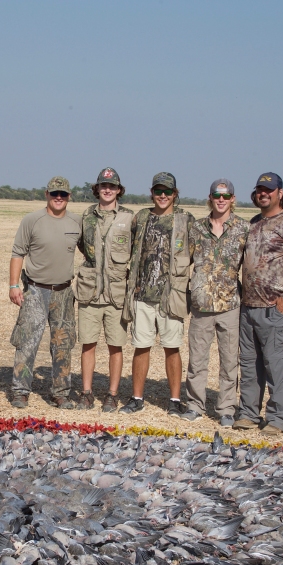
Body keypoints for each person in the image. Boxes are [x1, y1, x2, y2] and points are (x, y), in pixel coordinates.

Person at [233, 172, 283, 435]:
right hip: (248, 306)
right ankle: (248, 414)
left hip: (274, 307)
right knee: (249, 363)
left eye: (268, 190)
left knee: (275, 363)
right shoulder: (252, 223)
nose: (263, 194)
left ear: (280, 193)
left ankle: (277, 417)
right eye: (259, 190)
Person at [119, 172, 194, 415]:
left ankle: (174, 401)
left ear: (175, 194)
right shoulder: (141, 217)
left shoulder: (185, 220)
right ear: (152, 193)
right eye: (158, 191)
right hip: (142, 295)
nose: (163, 196)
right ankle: (137, 398)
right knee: (141, 346)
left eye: (168, 192)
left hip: (171, 296)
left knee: (172, 347)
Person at [7, 176, 81, 410]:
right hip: (35, 291)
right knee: (27, 343)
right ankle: (20, 391)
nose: (58, 198)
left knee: (63, 345)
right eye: (54, 193)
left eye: (63, 194)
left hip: (64, 292)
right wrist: (13, 286)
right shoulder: (32, 220)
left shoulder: (77, 223)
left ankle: (60, 392)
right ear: (46, 194)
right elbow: (18, 253)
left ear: (69, 196)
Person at [181, 179, 250, 425]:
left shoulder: (243, 228)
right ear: (210, 198)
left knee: (230, 362)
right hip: (201, 306)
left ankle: (226, 410)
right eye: (216, 195)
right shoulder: (196, 228)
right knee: (197, 361)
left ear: (232, 198)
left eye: (225, 195)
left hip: (230, 305)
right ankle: (195, 405)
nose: (221, 200)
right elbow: (181, 262)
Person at [74, 167, 134, 412]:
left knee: (115, 345)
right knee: (87, 344)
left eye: (112, 186)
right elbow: (82, 246)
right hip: (90, 292)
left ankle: (112, 394)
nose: (107, 190)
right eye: (103, 186)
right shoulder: (86, 216)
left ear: (119, 190)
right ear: (96, 189)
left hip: (116, 294)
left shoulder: (130, 218)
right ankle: (87, 392)